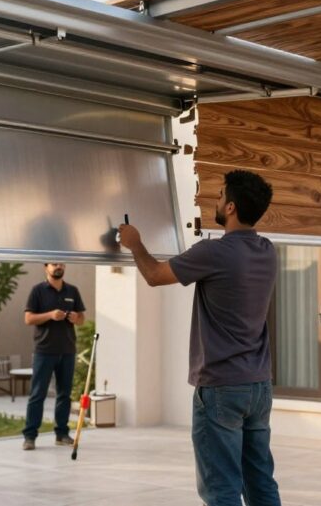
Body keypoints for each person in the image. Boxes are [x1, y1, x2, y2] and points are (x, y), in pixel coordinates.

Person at [119, 169, 281, 506]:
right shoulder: (268, 251)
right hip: (258, 385)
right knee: (260, 480)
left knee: (220, 486)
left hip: (222, 386)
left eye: (221, 195)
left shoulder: (214, 253)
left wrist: (135, 243)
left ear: (232, 207)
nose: (216, 201)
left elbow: (153, 275)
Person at [21, 262, 86, 450]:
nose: (59, 267)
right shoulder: (38, 291)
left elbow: (81, 319)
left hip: (67, 350)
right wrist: (50, 315)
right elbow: (28, 319)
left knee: (64, 395)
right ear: (45, 267)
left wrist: (76, 318)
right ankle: (30, 437)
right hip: (44, 350)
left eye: (61, 264)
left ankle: (62, 434)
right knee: (37, 394)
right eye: (54, 264)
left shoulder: (72, 291)